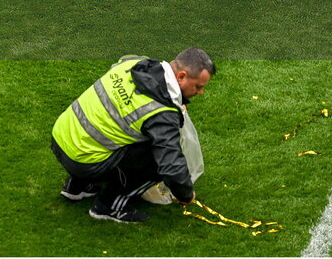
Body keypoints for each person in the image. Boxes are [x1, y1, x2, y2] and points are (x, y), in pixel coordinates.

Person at [51, 48, 215, 224]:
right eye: (198, 86)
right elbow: (170, 166)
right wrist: (186, 194)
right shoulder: (161, 113)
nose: (200, 92)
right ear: (181, 77)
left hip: (60, 140)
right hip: (83, 161)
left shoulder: (134, 63)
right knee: (156, 157)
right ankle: (109, 206)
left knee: (113, 129)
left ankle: (77, 186)